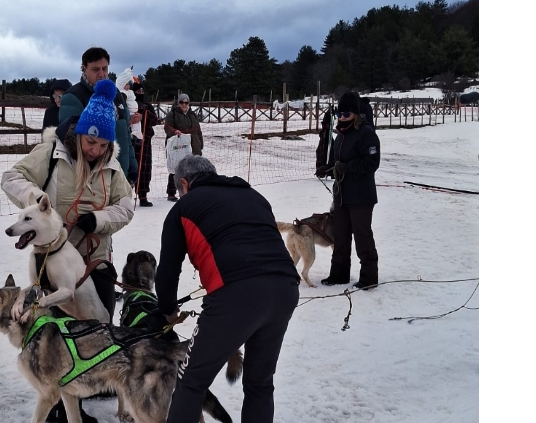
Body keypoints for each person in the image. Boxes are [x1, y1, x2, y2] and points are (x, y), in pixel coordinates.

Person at [1, 78, 134, 423]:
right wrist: (36, 203)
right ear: (80, 135)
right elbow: (11, 177)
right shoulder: (52, 152)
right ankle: (66, 408)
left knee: (98, 328)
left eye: (104, 143)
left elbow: (127, 205)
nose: (95, 149)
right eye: (91, 141)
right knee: (59, 340)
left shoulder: (112, 166)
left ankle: (100, 383)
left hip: (94, 259)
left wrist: (98, 220)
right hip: (54, 260)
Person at [154, 155, 300, 423]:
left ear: (184, 183)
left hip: (235, 292)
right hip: (285, 286)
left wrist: (169, 311)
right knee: (260, 383)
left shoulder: (183, 208)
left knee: (191, 382)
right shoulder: (255, 197)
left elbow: (167, 272)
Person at [317, 92, 381, 289]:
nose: (342, 117)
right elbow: (337, 160)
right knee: (341, 236)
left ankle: (369, 278)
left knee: (362, 237)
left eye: (346, 114)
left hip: (361, 196)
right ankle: (339, 274)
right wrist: (327, 167)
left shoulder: (367, 133)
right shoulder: (341, 135)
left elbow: (372, 163)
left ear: (356, 113)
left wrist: (347, 167)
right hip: (342, 195)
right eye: (339, 113)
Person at [59, 47, 140, 186]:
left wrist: (132, 166)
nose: (102, 74)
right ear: (84, 69)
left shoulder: (116, 95)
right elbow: (71, 142)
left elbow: (125, 133)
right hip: (92, 180)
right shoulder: (74, 97)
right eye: (95, 69)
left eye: (105, 69)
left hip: (120, 173)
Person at [163, 93, 203, 201]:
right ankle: (171, 192)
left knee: (192, 170)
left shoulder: (193, 115)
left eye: (186, 102)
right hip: (178, 146)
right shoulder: (172, 114)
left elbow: (198, 130)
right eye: (182, 102)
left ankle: (189, 191)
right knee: (176, 169)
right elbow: (167, 127)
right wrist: (174, 131)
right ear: (178, 103)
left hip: (193, 145)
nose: (184, 104)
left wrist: (200, 144)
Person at [131, 80, 161, 207]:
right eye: (138, 91)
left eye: (142, 91)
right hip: (133, 142)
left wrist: (144, 116)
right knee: (133, 168)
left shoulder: (148, 106)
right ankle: (126, 195)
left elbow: (155, 120)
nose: (141, 93)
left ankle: (143, 195)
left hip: (146, 141)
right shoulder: (131, 105)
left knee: (145, 169)